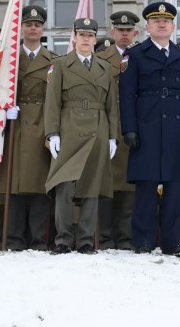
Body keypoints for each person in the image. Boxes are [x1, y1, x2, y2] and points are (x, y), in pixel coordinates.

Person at [119, 3, 180, 257]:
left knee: (176, 188)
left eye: (166, 21)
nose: (161, 25)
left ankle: (172, 241)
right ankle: (143, 240)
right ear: (147, 27)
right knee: (146, 185)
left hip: (176, 126)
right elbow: (127, 95)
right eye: (156, 21)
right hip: (147, 124)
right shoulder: (135, 55)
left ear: (173, 26)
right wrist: (129, 128)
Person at [44, 18, 119, 254]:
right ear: (74, 37)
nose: (86, 39)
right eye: (82, 35)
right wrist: (52, 134)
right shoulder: (60, 65)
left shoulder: (105, 68)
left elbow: (112, 108)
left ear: (95, 39)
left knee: (91, 187)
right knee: (64, 186)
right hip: (69, 130)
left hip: (98, 130)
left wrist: (112, 137)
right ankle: (63, 240)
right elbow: (52, 103)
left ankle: (86, 240)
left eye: (90, 35)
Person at [0, 5, 55, 251]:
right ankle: (13, 239)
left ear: (43, 29)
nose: (33, 28)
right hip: (15, 125)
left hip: (42, 122)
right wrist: (3, 110)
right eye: (28, 24)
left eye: (37, 24)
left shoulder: (53, 60)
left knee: (39, 185)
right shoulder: (8, 60)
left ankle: (37, 239)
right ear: (21, 28)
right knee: (14, 185)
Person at [96, 10, 141, 250]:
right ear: (113, 32)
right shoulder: (101, 59)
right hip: (107, 126)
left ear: (135, 32)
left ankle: (125, 237)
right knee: (106, 184)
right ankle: (104, 237)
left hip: (134, 126)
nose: (124, 34)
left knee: (130, 186)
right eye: (120, 30)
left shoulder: (141, 56)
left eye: (128, 30)